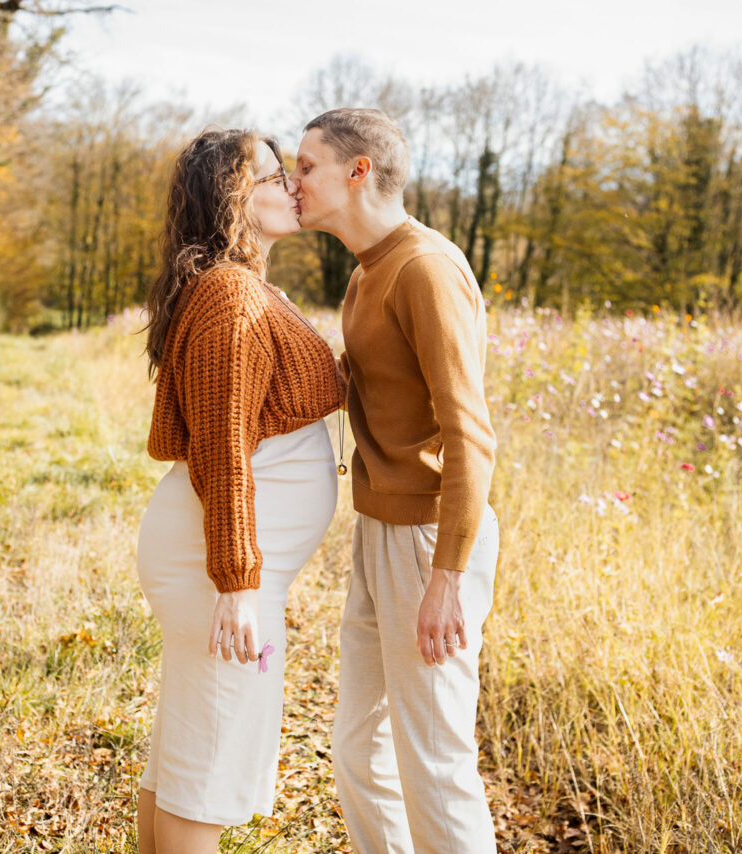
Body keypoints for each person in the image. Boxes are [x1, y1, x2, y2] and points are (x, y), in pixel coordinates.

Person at [291, 108, 500, 853]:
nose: (293, 180)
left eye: (307, 165)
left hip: (426, 539)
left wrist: (448, 574)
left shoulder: (424, 268)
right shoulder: (368, 272)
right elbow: (366, 388)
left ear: (359, 171)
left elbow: (470, 431)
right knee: (358, 749)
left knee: (436, 765)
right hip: (379, 529)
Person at [134, 128, 345, 854]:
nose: (292, 184)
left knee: (189, 746)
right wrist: (237, 582)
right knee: (210, 760)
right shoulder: (229, 295)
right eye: (273, 174)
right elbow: (223, 447)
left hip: (220, 561)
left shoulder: (241, 285)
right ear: (232, 194)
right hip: (217, 566)